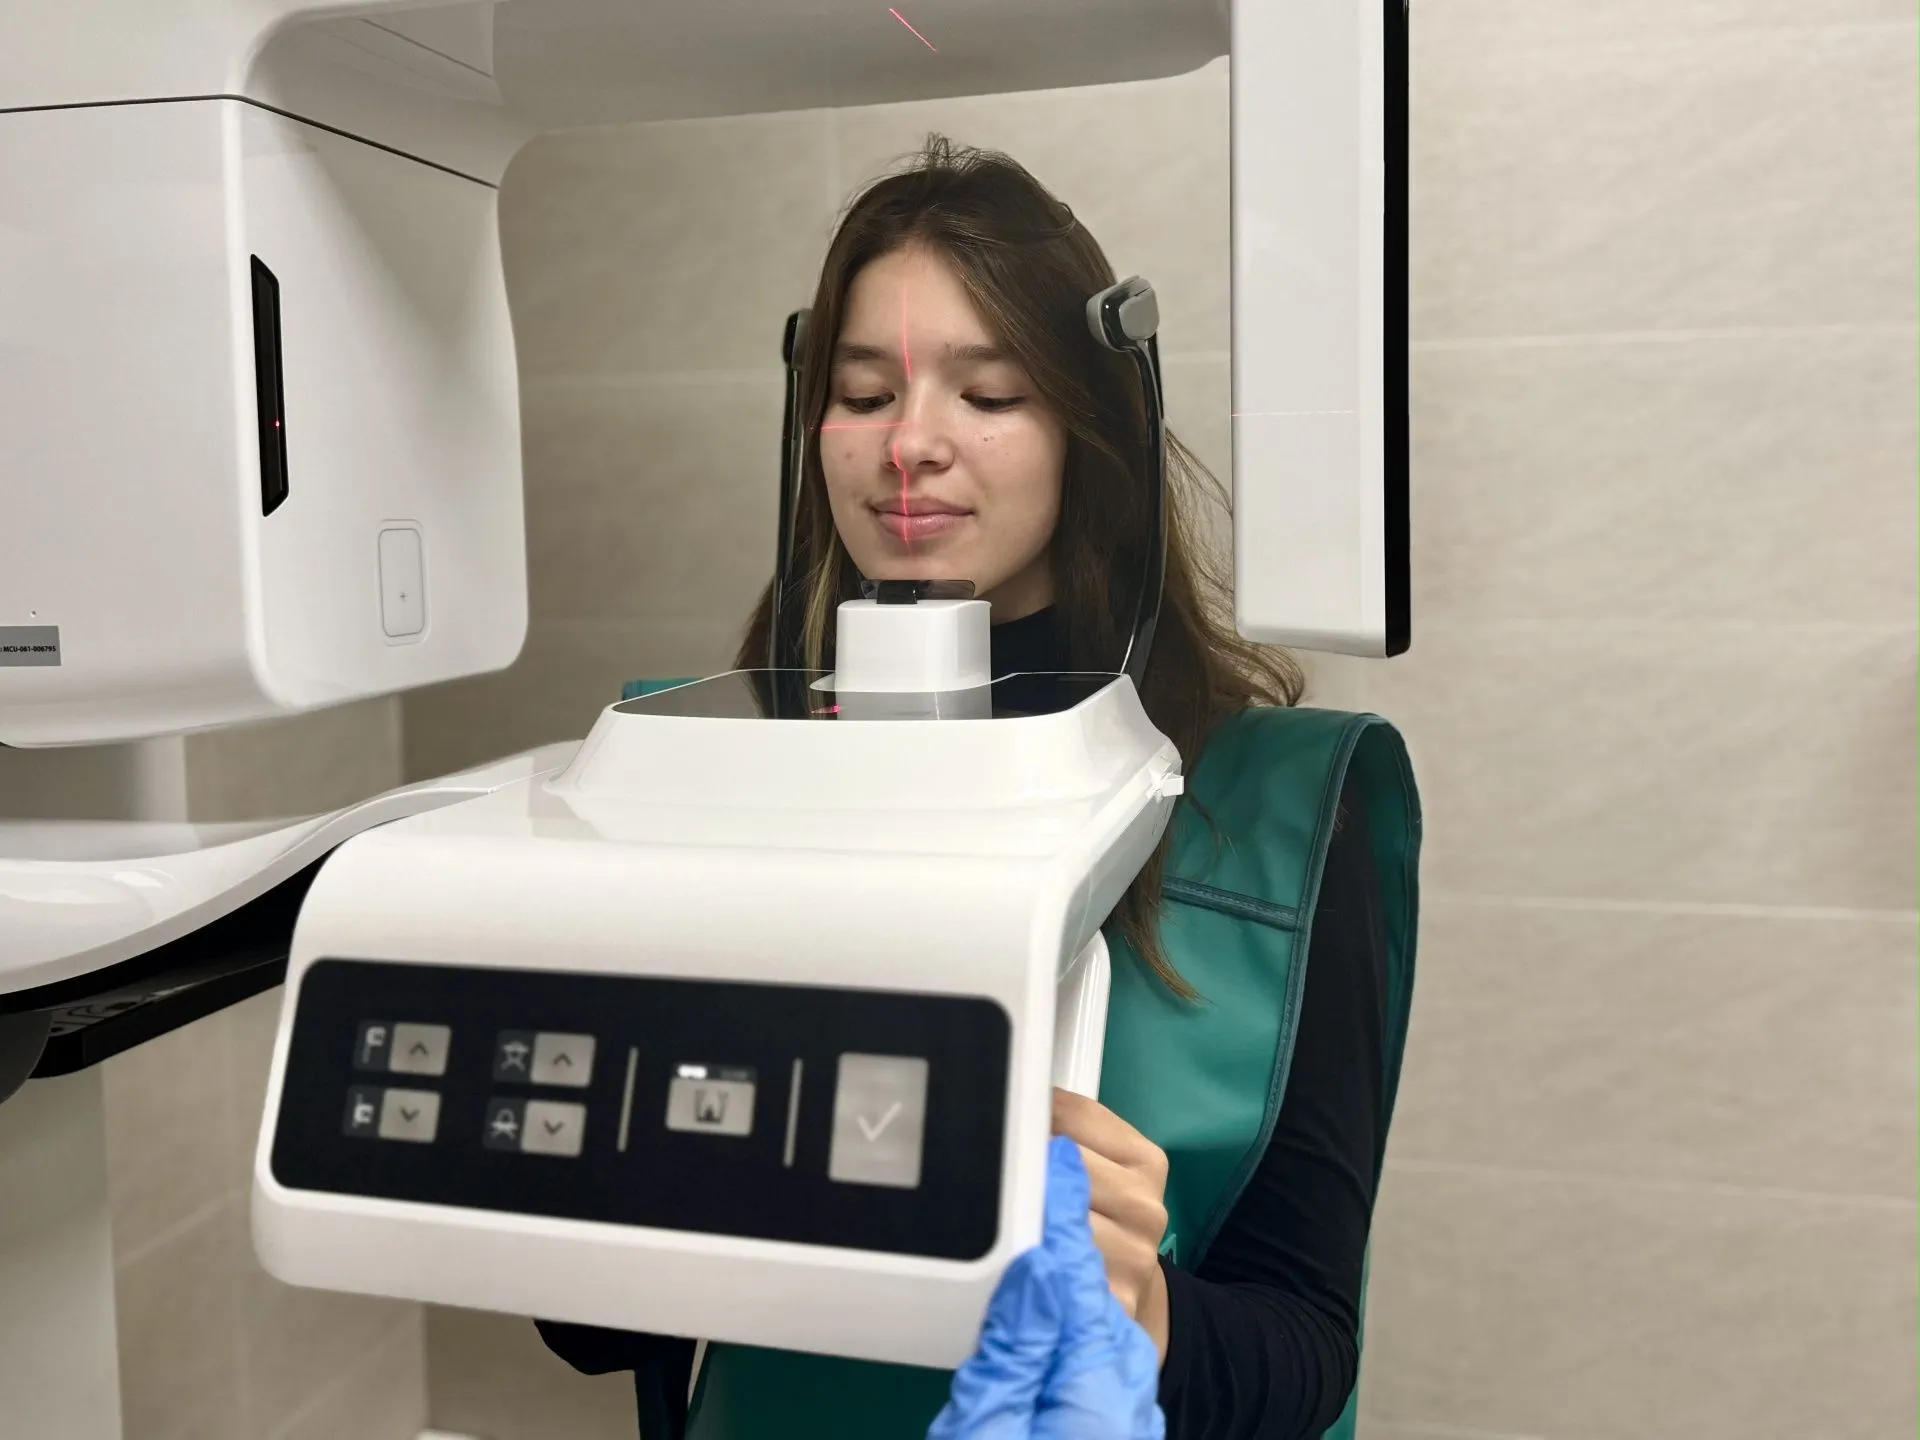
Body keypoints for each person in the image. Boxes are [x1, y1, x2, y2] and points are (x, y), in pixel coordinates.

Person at [538, 135, 1420, 1440]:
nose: (911, 445)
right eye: (863, 392)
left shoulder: (1289, 809)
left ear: (1089, 428)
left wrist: (1143, 1314)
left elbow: (1308, 1348)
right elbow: (587, 1331)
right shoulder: (678, 770)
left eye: (989, 393)